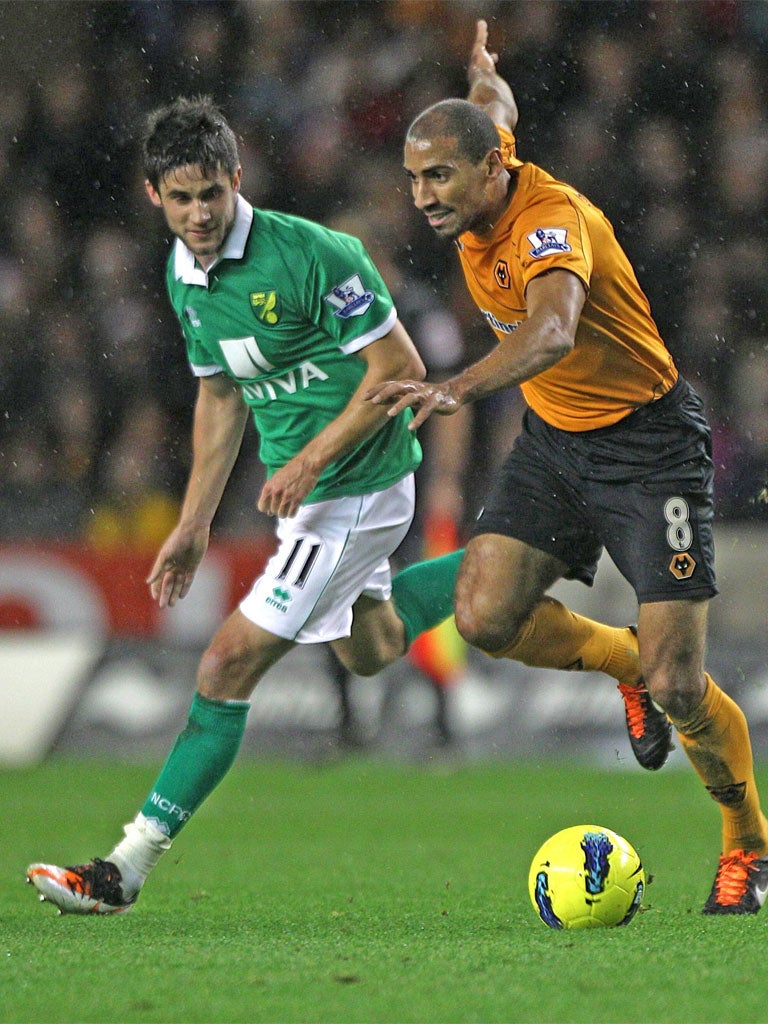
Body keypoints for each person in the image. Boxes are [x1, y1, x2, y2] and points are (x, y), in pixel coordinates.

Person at [27, 91, 660, 916]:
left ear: (236, 178)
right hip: (310, 496)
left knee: (225, 664)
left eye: (211, 194)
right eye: (179, 198)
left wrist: (312, 459)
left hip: (359, 481)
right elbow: (219, 398)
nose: (198, 214)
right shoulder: (184, 275)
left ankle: (123, 869)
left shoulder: (316, 255)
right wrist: (191, 525)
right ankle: (522, 557)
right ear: (154, 196)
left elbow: (395, 369)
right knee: (374, 645)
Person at [367, 19, 768, 916]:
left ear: (488, 172)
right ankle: (621, 663)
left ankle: (746, 843)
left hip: (650, 445)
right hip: (556, 443)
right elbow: (492, 106)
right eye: (413, 178)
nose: (423, 196)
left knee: (682, 685)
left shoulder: (549, 220)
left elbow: (550, 331)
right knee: (483, 613)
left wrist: (459, 387)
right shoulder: (487, 147)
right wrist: (484, 74)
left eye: (438, 177)